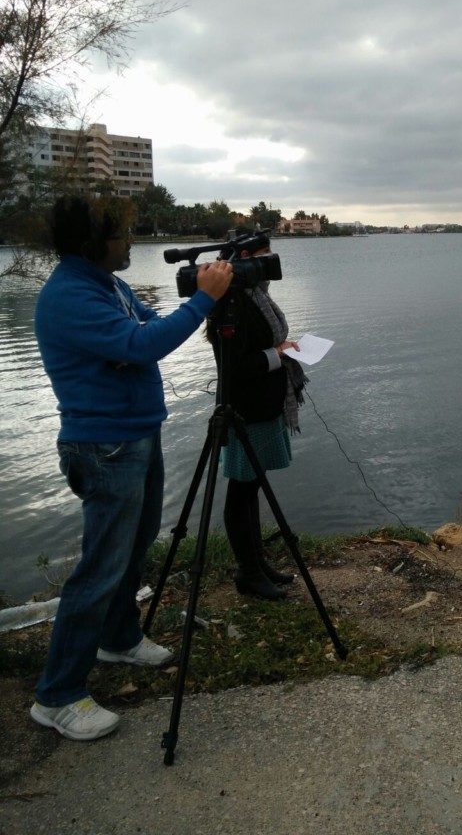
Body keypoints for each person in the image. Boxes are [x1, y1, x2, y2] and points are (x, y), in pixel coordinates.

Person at [30, 195, 233, 741]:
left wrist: (138, 344)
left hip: (136, 434)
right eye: (122, 236)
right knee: (99, 569)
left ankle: (118, 638)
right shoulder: (71, 295)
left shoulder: (106, 285)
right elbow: (145, 344)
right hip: (103, 447)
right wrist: (204, 301)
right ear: (95, 244)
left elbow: (145, 332)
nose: (130, 243)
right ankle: (57, 695)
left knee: (135, 547)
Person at [206, 230, 307, 601]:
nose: (270, 264)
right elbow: (233, 363)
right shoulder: (230, 303)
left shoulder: (255, 296)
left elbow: (263, 345)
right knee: (242, 488)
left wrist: (282, 349)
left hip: (266, 402)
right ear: (245, 258)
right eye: (264, 257)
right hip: (245, 409)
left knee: (253, 486)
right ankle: (247, 571)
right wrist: (277, 355)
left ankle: (257, 562)